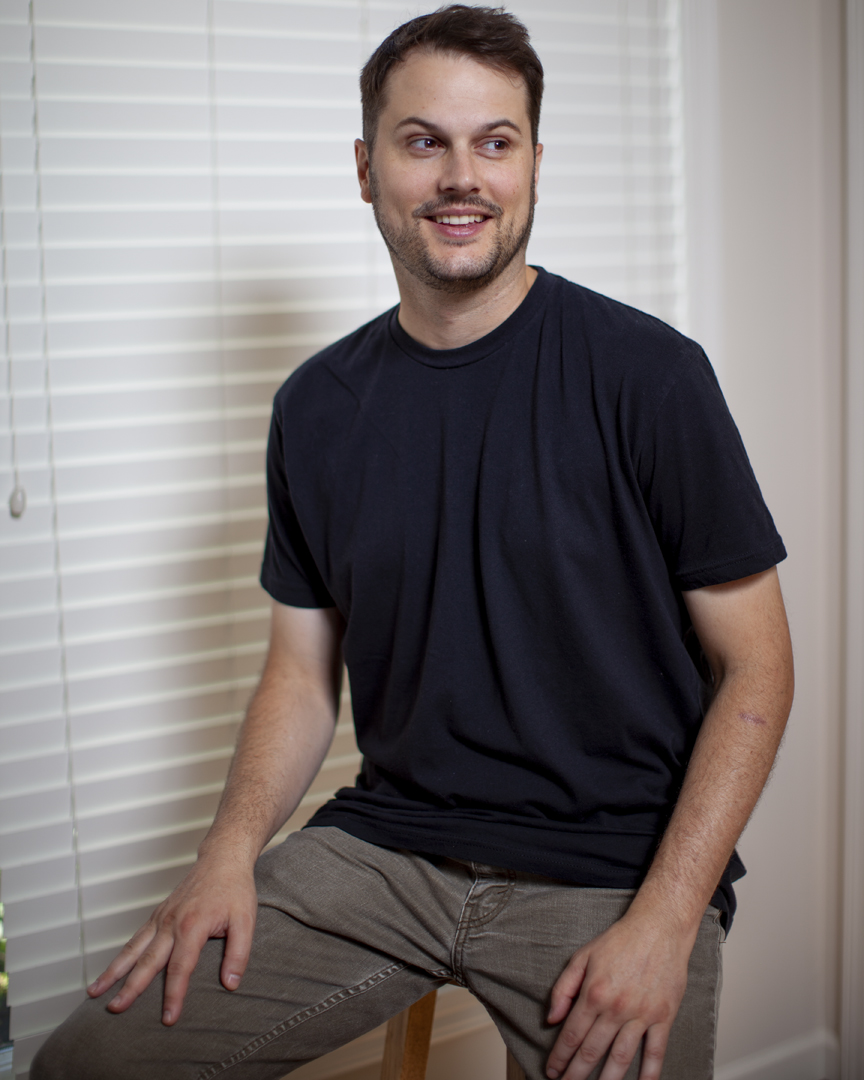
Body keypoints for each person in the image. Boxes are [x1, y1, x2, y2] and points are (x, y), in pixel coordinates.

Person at [32, 6, 793, 1080]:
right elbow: (301, 678)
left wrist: (669, 918)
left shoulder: (650, 376)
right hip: (388, 849)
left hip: (612, 865)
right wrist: (226, 853)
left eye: (496, 142)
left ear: (535, 166)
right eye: (423, 140)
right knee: (90, 1063)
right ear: (366, 167)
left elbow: (757, 667)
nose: (461, 177)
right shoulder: (315, 408)